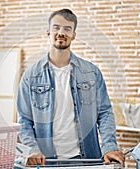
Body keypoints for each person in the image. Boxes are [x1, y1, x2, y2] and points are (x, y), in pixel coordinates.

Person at [17, 8, 125, 167]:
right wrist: (32, 149)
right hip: (47, 161)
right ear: (48, 31)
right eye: (56, 27)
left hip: (85, 159)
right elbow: (24, 121)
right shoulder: (30, 76)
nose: (61, 32)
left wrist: (109, 147)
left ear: (74, 34)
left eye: (67, 29)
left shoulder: (91, 73)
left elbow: (105, 112)